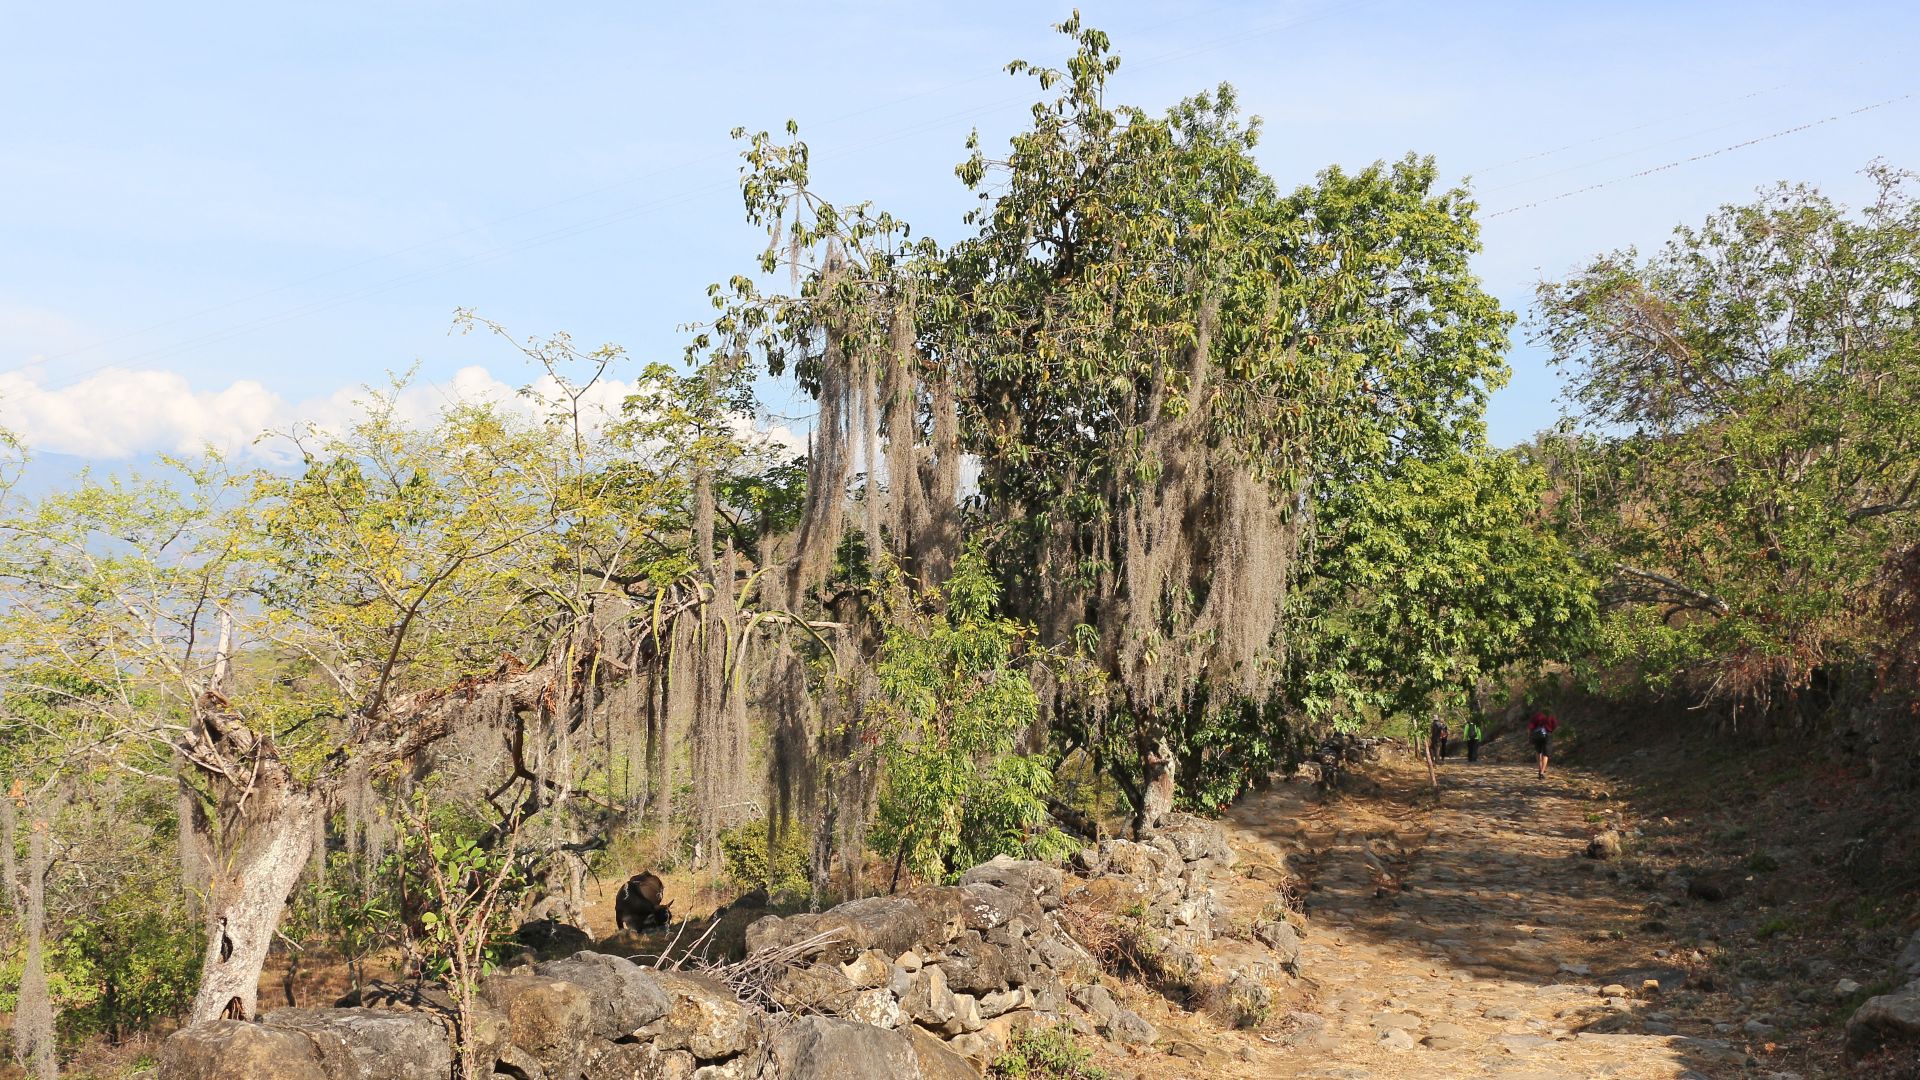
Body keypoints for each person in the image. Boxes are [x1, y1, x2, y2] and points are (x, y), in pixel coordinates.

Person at [1527, 708, 1558, 779]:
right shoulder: (1551, 715)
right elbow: (1555, 726)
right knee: (1546, 754)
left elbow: (1530, 728)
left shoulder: (1536, 715)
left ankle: (1540, 768)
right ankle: (1542, 772)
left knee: (1538, 752)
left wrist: (1529, 737)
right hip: (1547, 735)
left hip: (1537, 736)